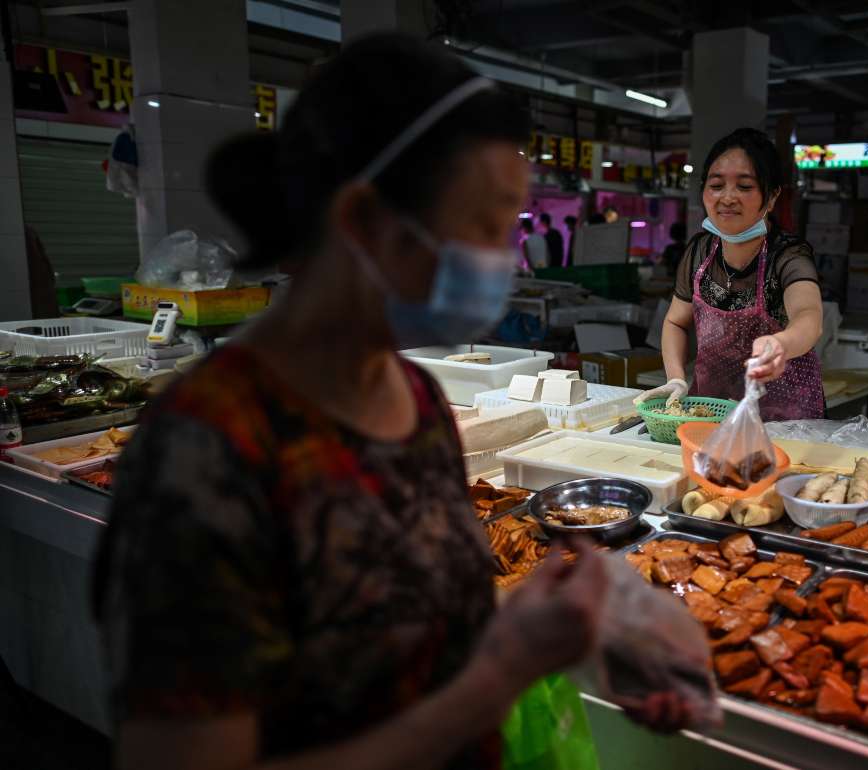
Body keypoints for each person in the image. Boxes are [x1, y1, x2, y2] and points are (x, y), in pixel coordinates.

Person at [92, 34, 684, 770]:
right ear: (366, 221)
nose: (505, 259)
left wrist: (584, 620)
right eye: (486, 224)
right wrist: (500, 676)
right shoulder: (208, 452)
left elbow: (427, 623)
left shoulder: (414, 401)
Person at [636, 127, 824, 421]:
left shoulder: (787, 255)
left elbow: (809, 316)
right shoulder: (699, 251)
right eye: (716, 185)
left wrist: (782, 344)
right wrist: (675, 378)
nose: (727, 197)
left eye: (745, 186)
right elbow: (675, 321)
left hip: (784, 425)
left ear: (772, 196)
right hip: (709, 415)